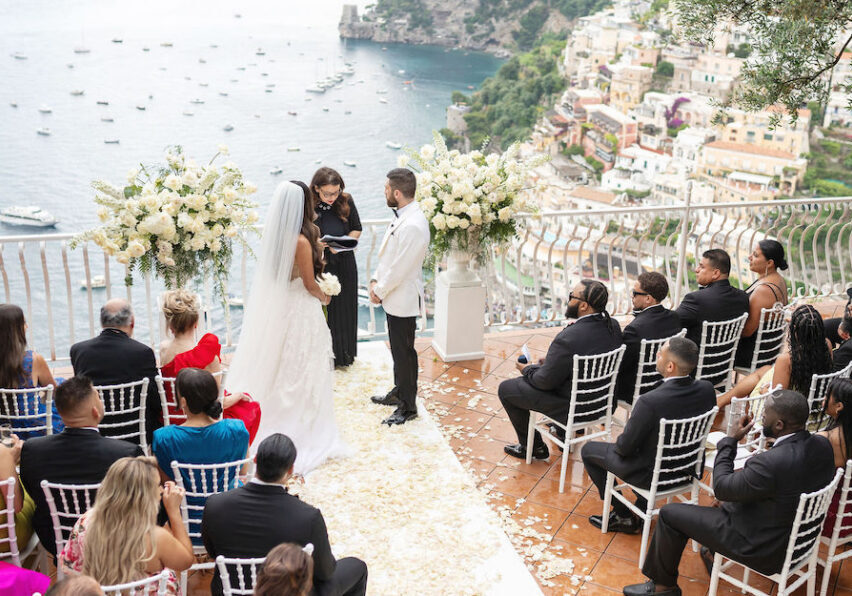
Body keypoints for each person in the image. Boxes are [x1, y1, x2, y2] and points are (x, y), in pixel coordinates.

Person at [623, 389, 835, 596]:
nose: (760, 417)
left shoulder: (772, 462)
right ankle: (710, 550)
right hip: (798, 540)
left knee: (670, 514)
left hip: (761, 547)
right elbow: (783, 488)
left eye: (765, 415)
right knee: (728, 502)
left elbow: (722, 488)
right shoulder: (822, 445)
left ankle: (663, 587)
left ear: (779, 425)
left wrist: (729, 441)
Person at [225, 181, 347, 475]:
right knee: (303, 365)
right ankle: (301, 423)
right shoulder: (301, 241)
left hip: (281, 306)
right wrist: (326, 295)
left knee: (280, 362)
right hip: (301, 309)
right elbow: (308, 283)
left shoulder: (277, 236)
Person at [201, 434, 368, 596]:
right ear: (290, 470)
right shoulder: (308, 517)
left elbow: (213, 552)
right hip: (288, 592)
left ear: (256, 460)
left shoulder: (215, 505)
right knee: (357, 567)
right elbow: (325, 572)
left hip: (230, 590)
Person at [582, 337, 716, 534]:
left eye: (660, 353)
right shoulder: (707, 389)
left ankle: (623, 515)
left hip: (653, 475)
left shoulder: (650, 401)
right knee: (647, 447)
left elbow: (624, 448)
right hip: (686, 469)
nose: (656, 355)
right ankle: (642, 506)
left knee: (588, 450)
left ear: (670, 366)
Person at [498, 280, 623, 460]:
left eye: (572, 296)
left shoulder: (569, 337)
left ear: (584, 306)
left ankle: (533, 447)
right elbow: (586, 360)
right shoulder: (613, 326)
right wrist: (551, 363)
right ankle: (557, 432)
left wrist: (527, 369)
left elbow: (544, 381)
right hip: (603, 405)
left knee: (507, 389)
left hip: (575, 408)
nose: (568, 299)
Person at [19, 375, 143, 556]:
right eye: (98, 397)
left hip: (57, 540)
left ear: (60, 413)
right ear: (95, 411)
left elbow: (32, 491)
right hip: (114, 540)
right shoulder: (126, 453)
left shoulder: (32, 449)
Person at [58, 457, 194, 594]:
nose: (161, 490)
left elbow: (70, 567)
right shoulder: (155, 537)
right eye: (158, 485)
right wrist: (174, 511)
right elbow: (186, 562)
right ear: (143, 497)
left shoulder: (86, 520)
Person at [152, 368, 249, 545]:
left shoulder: (164, 438)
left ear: (183, 401)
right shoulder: (236, 430)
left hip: (186, 524)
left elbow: (167, 482)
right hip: (230, 519)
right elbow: (243, 470)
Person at [368, 168, 430, 426]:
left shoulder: (414, 224)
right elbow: (389, 256)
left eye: (386, 190)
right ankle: (399, 391)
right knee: (398, 349)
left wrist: (379, 290)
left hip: (402, 297)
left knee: (404, 352)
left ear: (396, 192)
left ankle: (408, 406)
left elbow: (401, 267)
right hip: (395, 296)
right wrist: (375, 280)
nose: (384, 193)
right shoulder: (404, 216)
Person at [160, 289, 261, 443]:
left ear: (170, 325)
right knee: (252, 407)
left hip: (173, 416)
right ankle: (233, 455)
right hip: (201, 420)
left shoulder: (163, 350)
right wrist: (239, 395)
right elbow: (221, 402)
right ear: (195, 323)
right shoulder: (206, 355)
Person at [70, 299, 160, 443]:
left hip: (97, 431)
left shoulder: (79, 351)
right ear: (132, 322)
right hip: (137, 433)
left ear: (102, 322)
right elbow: (156, 399)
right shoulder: (143, 352)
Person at [717, 304, 834, 409]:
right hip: (814, 405)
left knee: (760, 378)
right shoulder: (826, 345)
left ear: (795, 333)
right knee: (766, 369)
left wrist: (764, 391)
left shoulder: (787, 360)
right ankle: (720, 401)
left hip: (789, 412)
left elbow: (777, 400)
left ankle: (720, 402)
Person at [311, 167, 362, 368]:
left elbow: (357, 228)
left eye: (336, 192)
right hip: (320, 264)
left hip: (345, 261)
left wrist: (343, 243)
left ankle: (345, 355)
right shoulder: (309, 205)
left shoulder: (346, 200)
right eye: (327, 193)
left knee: (346, 307)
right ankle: (324, 356)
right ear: (316, 189)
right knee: (324, 310)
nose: (332, 197)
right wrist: (317, 243)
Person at [614, 272, 683, 405]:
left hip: (638, 391)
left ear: (648, 299)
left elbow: (620, 364)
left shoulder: (635, 329)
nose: (631, 296)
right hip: (664, 381)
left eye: (635, 293)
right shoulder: (674, 318)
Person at [0, 303, 64, 436]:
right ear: (14, 330)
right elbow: (54, 391)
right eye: (23, 323)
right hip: (36, 428)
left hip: (4, 428)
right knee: (61, 384)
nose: (27, 327)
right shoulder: (33, 360)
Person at [674, 249, 749, 348]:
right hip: (725, 359)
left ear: (716, 273)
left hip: (695, 360)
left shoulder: (696, 299)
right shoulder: (743, 297)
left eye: (702, 267)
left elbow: (671, 323)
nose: (696, 270)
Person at [734, 240, 789, 367]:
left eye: (755, 255)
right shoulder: (779, 280)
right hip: (769, 349)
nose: (749, 257)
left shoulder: (764, 290)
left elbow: (747, 331)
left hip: (753, 354)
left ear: (770, 263)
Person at [817, 378, 852, 539]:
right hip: (848, 517)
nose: (823, 399)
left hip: (828, 518)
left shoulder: (826, 439)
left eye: (827, 396)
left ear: (839, 406)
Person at [0, 434, 34, 555]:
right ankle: (29, 571)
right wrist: (10, 462)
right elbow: (17, 507)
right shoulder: (1, 453)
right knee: (33, 491)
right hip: (5, 541)